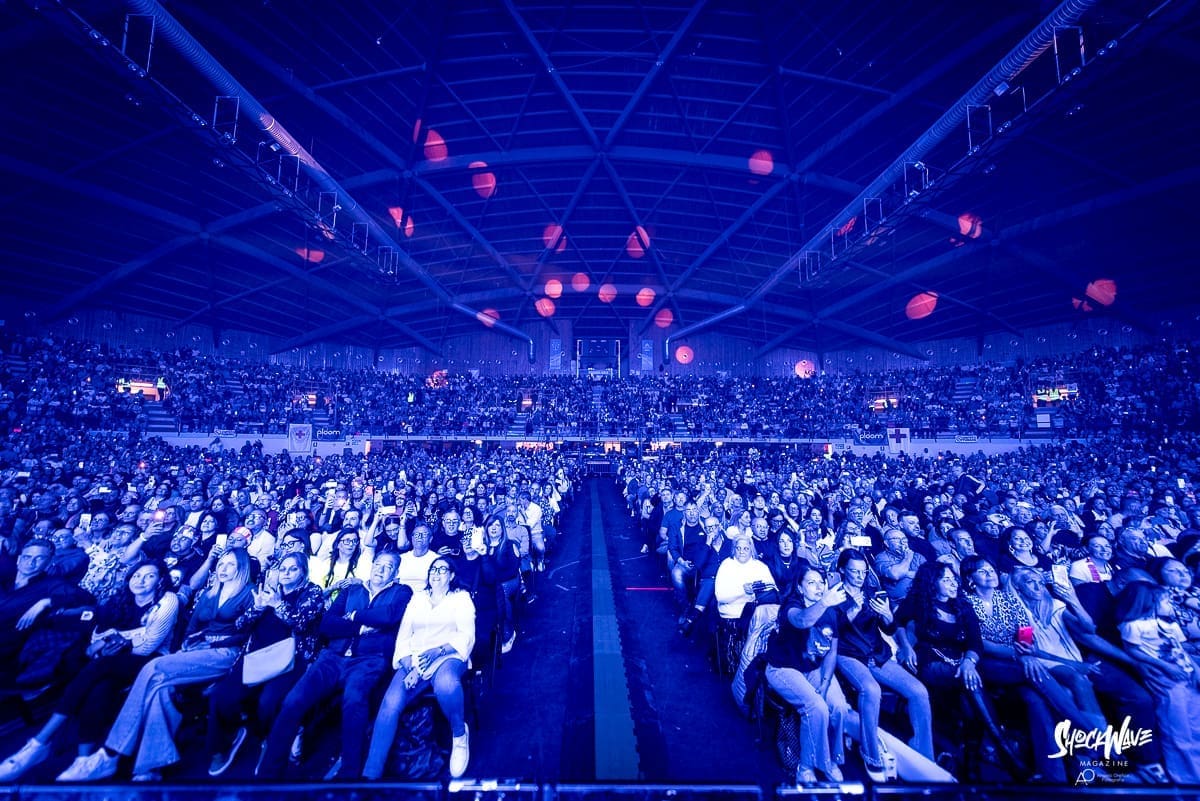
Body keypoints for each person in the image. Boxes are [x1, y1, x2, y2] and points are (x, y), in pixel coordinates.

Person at [59, 548, 254, 781]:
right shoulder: (211, 592)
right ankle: (150, 767)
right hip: (195, 651)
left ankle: (111, 753)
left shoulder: (249, 593)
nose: (223, 568)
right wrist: (188, 644)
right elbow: (192, 626)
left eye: (230, 564)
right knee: (161, 690)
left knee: (152, 668)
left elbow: (248, 634)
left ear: (242, 568)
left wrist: (212, 642)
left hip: (225, 653)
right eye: (221, 564)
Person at [0, 561, 178, 781]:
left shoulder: (168, 600)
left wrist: (112, 639)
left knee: (98, 666)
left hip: (151, 661)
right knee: (100, 688)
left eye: (149, 576)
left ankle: (39, 742)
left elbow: (147, 646)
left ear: (160, 580)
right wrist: (113, 640)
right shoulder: (119, 599)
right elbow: (96, 636)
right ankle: (83, 760)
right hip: (114, 661)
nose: (140, 580)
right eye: (136, 575)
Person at [255, 551, 412, 780]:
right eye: (377, 564)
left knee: (354, 699)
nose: (380, 569)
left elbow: (388, 616)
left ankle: (349, 775)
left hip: (369, 659)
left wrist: (353, 615)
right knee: (293, 701)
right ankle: (268, 775)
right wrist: (360, 627)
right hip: (332, 656)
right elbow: (327, 624)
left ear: (395, 574)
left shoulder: (402, 592)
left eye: (387, 566)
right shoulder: (352, 590)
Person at [206, 551, 325, 776]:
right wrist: (258, 607)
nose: (286, 573)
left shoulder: (312, 592)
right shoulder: (268, 590)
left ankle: (269, 741)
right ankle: (226, 740)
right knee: (221, 696)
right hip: (256, 656)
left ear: (303, 572)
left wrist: (278, 605)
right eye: (283, 569)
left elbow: (300, 623)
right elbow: (240, 625)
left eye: (293, 569)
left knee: (268, 702)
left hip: (290, 659)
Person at [362, 557, 476, 779]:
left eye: (442, 569)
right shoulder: (418, 598)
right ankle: (371, 773)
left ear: (452, 576)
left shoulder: (461, 598)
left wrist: (437, 652)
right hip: (415, 660)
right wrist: (409, 666)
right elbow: (404, 636)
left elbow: (466, 635)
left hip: (448, 655)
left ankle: (459, 734)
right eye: (433, 569)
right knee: (390, 704)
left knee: (446, 684)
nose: (436, 573)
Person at [834, 550, 934, 775]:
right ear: (842, 570)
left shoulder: (872, 593)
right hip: (848, 653)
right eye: (854, 571)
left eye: (863, 572)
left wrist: (888, 615)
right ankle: (870, 752)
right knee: (871, 690)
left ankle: (924, 755)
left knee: (918, 692)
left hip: (876, 653)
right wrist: (852, 612)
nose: (859, 576)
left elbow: (888, 629)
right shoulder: (834, 596)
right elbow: (832, 632)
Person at [763, 565, 849, 784]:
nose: (818, 587)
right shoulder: (791, 606)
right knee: (816, 707)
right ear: (800, 588)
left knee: (839, 707)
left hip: (813, 668)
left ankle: (832, 760)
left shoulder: (831, 611)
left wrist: (826, 682)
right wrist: (824, 602)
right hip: (783, 668)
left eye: (821, 582)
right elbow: (802, 621)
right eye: (811, 583)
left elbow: (832, 651)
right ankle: (806, 767)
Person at [1116, 581, 1200, 783]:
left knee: (1195, 727)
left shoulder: (1169, 624)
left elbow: (1181, 650)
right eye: (1165, 600)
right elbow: (1133, 650)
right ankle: (1185, 779)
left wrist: (1196, 670)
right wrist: (1164, 666)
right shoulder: (1132, 625)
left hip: (1188, 678)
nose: (1170, 604)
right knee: (1177, 731)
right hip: (1168, 682)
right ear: (1150, 601)